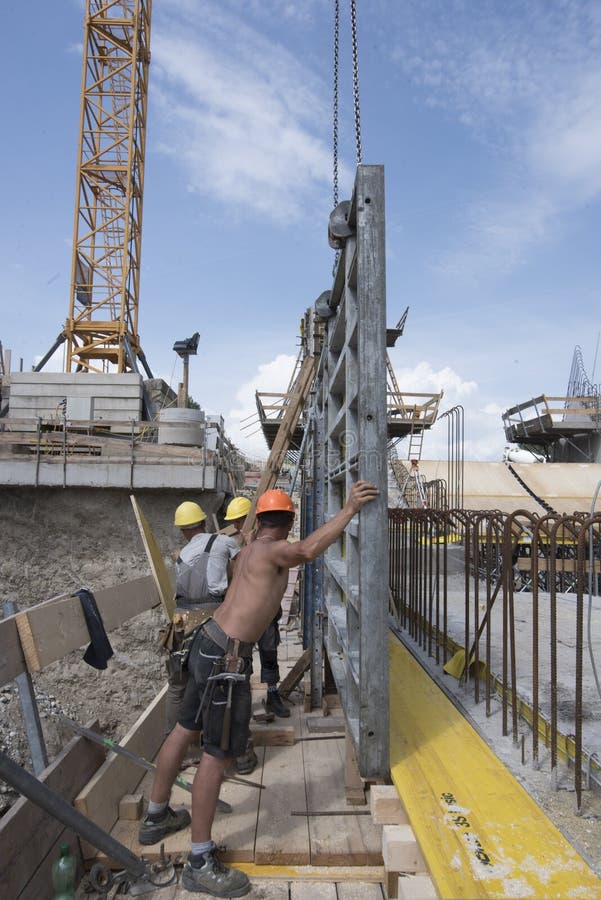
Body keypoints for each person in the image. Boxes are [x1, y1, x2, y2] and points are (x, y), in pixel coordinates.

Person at [138, 481, 378, 897]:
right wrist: (350, 509)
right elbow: (305, 551)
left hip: (206, 642)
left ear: (260, 520)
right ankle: (198, 860)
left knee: (183, 730)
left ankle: (156, 816)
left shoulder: (248, 548)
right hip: (226, 659)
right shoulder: (273, 549)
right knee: (216, 756)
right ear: (286, 521)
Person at [165, 501, 240, 737]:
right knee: (214, 678)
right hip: (211, 615)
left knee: (177, 683)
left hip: (179, 618)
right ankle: (215, 741)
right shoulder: (224, 541)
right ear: (205, 522)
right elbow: (243, 565)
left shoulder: (182, 554)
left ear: (182, 530)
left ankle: (173, 742)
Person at [224, 497, 290, 723]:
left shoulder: (263, 542)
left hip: (265, 612)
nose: (235, 526)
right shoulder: (232, 543)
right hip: (243, 615)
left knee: (269, 652)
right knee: (242, 657)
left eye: (238, 521)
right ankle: (243, 699)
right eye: (233, 522)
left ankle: (272, 693)